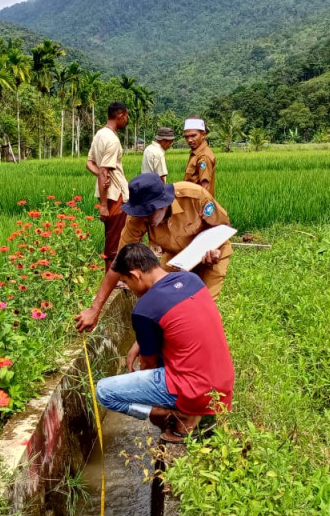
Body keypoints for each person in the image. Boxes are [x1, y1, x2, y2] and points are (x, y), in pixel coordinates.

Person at [95, 243, 234, 441]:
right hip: (221, 385)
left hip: (195, 391)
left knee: (104, 392)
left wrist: (149, 402)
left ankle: (171, 414)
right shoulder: (190, 279)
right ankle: (188, 412)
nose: (130, 288)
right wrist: (140, 341)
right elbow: (175, 323)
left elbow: (147, 365)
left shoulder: (144, 308)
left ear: (135, 275)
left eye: (126, 282)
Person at [75, 173, 232, 332]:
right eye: (140, 214)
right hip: (177, 258)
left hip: (212, 255)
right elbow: (120, 261)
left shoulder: (194, 197)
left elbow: (223, 226)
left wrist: (215, 250)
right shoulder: (138, 218)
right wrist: (95, 309)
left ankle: (205, 341)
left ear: (162, 204)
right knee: (165, 299)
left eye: (148, 213)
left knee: (204, 306)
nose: (144, 219)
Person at [86, 102, 130, 268]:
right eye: (126, 116)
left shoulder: (100, 134)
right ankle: (112, 278)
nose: (126, 120)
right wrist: (104, 205)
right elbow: (104, 169)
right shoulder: (112, 140)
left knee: (112, 234)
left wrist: (100, 174)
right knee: (115, 239)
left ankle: (114, 276)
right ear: (120, 115)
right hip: (114, 194)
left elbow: (90, 163)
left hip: (106, 192)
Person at [182, 118, 216, 198]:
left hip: (198, 205)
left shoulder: (203, 157)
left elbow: (205, 187)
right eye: (186, 137)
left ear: (203, 135)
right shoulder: (195, 153)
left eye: (193, 135)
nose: (189, 140)